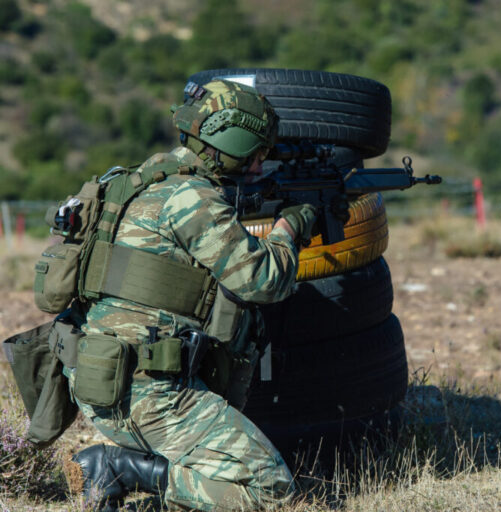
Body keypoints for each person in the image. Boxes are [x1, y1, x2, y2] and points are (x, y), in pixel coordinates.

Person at [63, 79, 319, 511]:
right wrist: (288, 229)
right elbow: (262, 280)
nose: (261, 164)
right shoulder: (192, 197)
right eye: (257, 153)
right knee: (272, 491)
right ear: (231, 142)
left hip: (99, 381)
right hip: (151, 396)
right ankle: (121, 469)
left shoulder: (138, 180)